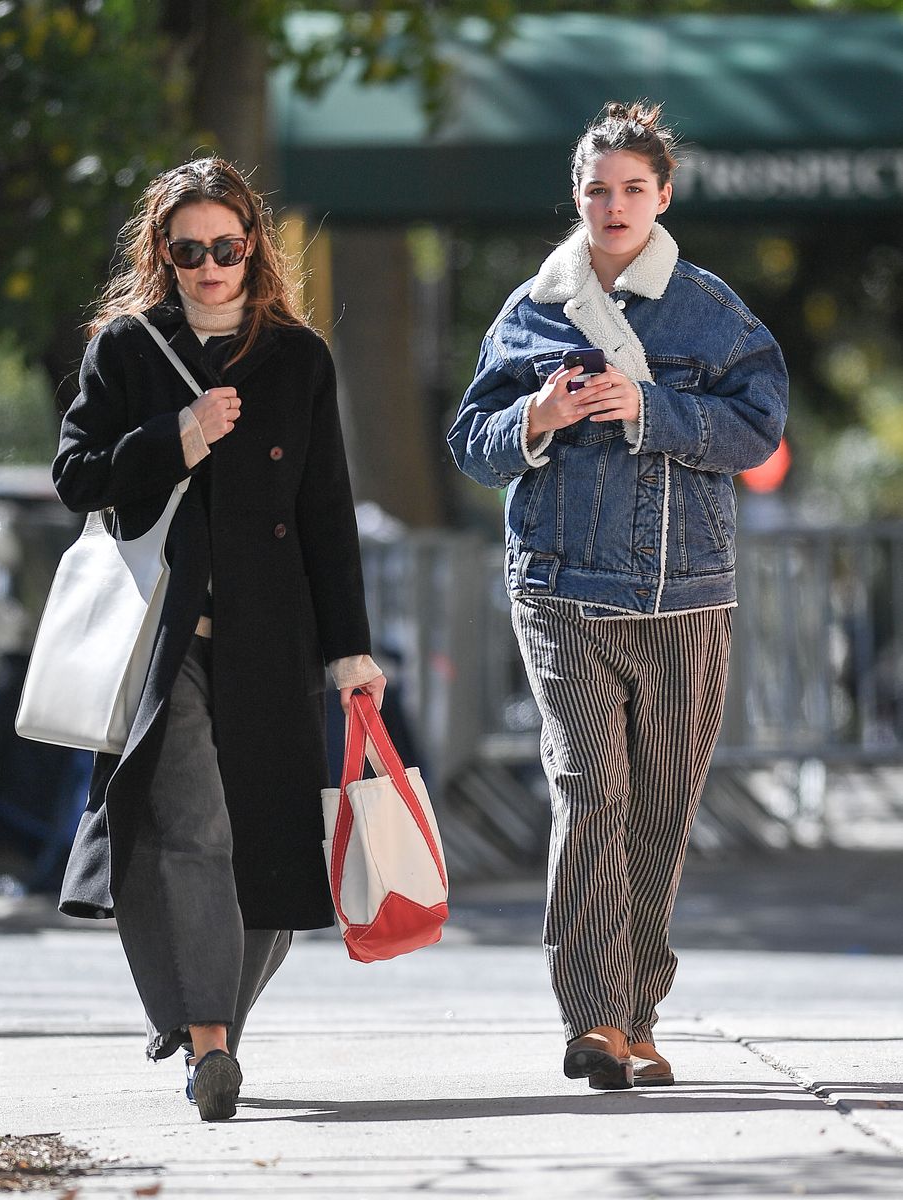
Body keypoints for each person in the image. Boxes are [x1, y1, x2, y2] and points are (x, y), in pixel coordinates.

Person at [448, 102, 787, 1090]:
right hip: (559, 589)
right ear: (577, 195)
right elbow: (471, 444)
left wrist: (655, 408)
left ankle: (638, 1014)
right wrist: (537, 416)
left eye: (634, 189)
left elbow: (758, 431)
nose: (615, 205)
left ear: (663, 195)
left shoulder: (712, 312)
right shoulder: (530, 312)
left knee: (663, 809)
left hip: (687, 597)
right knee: (590, 792)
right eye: (598, 189)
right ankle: (594, 1021)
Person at [52, 157, 385, 1121]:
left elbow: (328, 513)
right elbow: (76, 473)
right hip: (165, 638)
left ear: (254, 249)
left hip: (272, 640)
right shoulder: (126, 350)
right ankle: (206, 1045)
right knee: (189, 827)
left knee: (270, 860)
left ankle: (208, 1021)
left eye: (226, 249)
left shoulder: (298, 360)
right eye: (188, 251)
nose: (208, 269)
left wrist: (350, 650)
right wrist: (177, 437)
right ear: (164, 254)